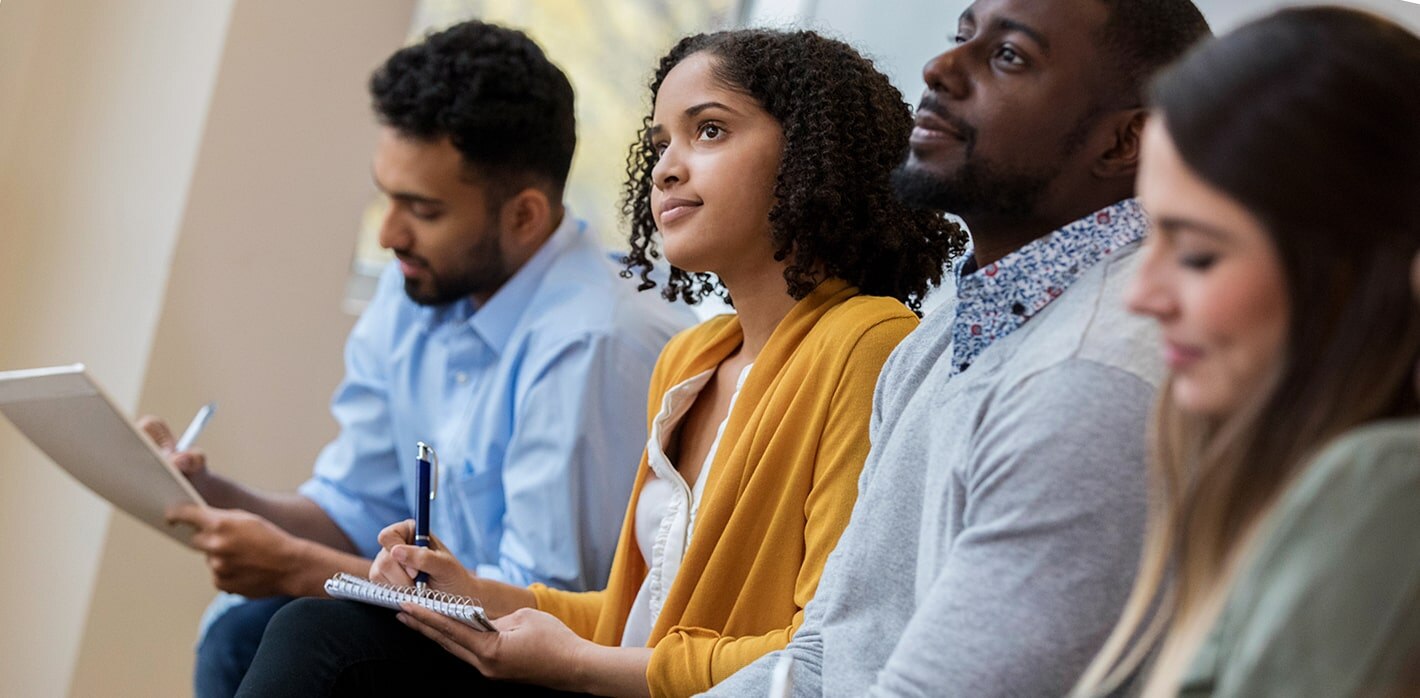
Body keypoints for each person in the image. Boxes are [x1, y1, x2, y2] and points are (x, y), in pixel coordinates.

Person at [233, 28, 965, 697]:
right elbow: (628, 616)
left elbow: (823, 653)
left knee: (321, 639)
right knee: (306, 628)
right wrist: (474, 593)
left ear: (813, 154)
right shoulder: (693, 359)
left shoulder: (868, 345)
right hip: (618, 679)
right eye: (660, 143)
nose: (668, 169)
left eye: (708, 131)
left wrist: (574, 664)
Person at [141, 21, 690, 698]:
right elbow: (350, 506)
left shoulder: (598, 342)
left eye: (422, 210)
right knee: (242, 626)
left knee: (300, 633)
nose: (390, 233)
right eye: (387, 196)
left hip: (548, 663)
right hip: (460, 631)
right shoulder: (419, 291)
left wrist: (296, 568)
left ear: (523, 216)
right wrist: (207, 495)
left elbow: (542, 617)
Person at [711, 1, 1212, 696]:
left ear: (1125, 142)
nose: (940, 68)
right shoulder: (944, 331)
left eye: (1009, 55)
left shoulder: (1090, 377)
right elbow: (828, 652)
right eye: (962, 36)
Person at [1072, 8, 1420, 697]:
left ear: (1352, 271)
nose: (1142, 295)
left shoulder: (1383, 487)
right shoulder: (1238, 476)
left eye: (1198, 253)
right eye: (1150, 239)